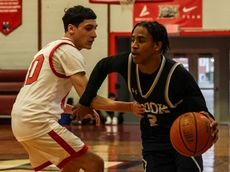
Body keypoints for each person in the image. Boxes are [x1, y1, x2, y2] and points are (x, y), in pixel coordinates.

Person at [11, 5, 144, 172]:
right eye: (88, 28)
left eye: (95, 28)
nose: (94, 34)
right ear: (71, 29)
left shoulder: (49, 48)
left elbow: (41, 94)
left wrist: (73, 108)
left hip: (21, 119)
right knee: (94, 163)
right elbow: (91, 97)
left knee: (71, 166)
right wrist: (130, 106)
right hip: (38, 121)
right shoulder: (68, 51)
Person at [74, 21, 219, 172]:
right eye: (132, 40)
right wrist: (85, 102)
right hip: (153, 140)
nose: (134, 45)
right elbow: (102, 66)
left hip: (184, 139)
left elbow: (200, 107)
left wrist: (209, 122)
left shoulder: (176, 74)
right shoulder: (127, 62)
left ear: (157, 46)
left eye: (141, 40)